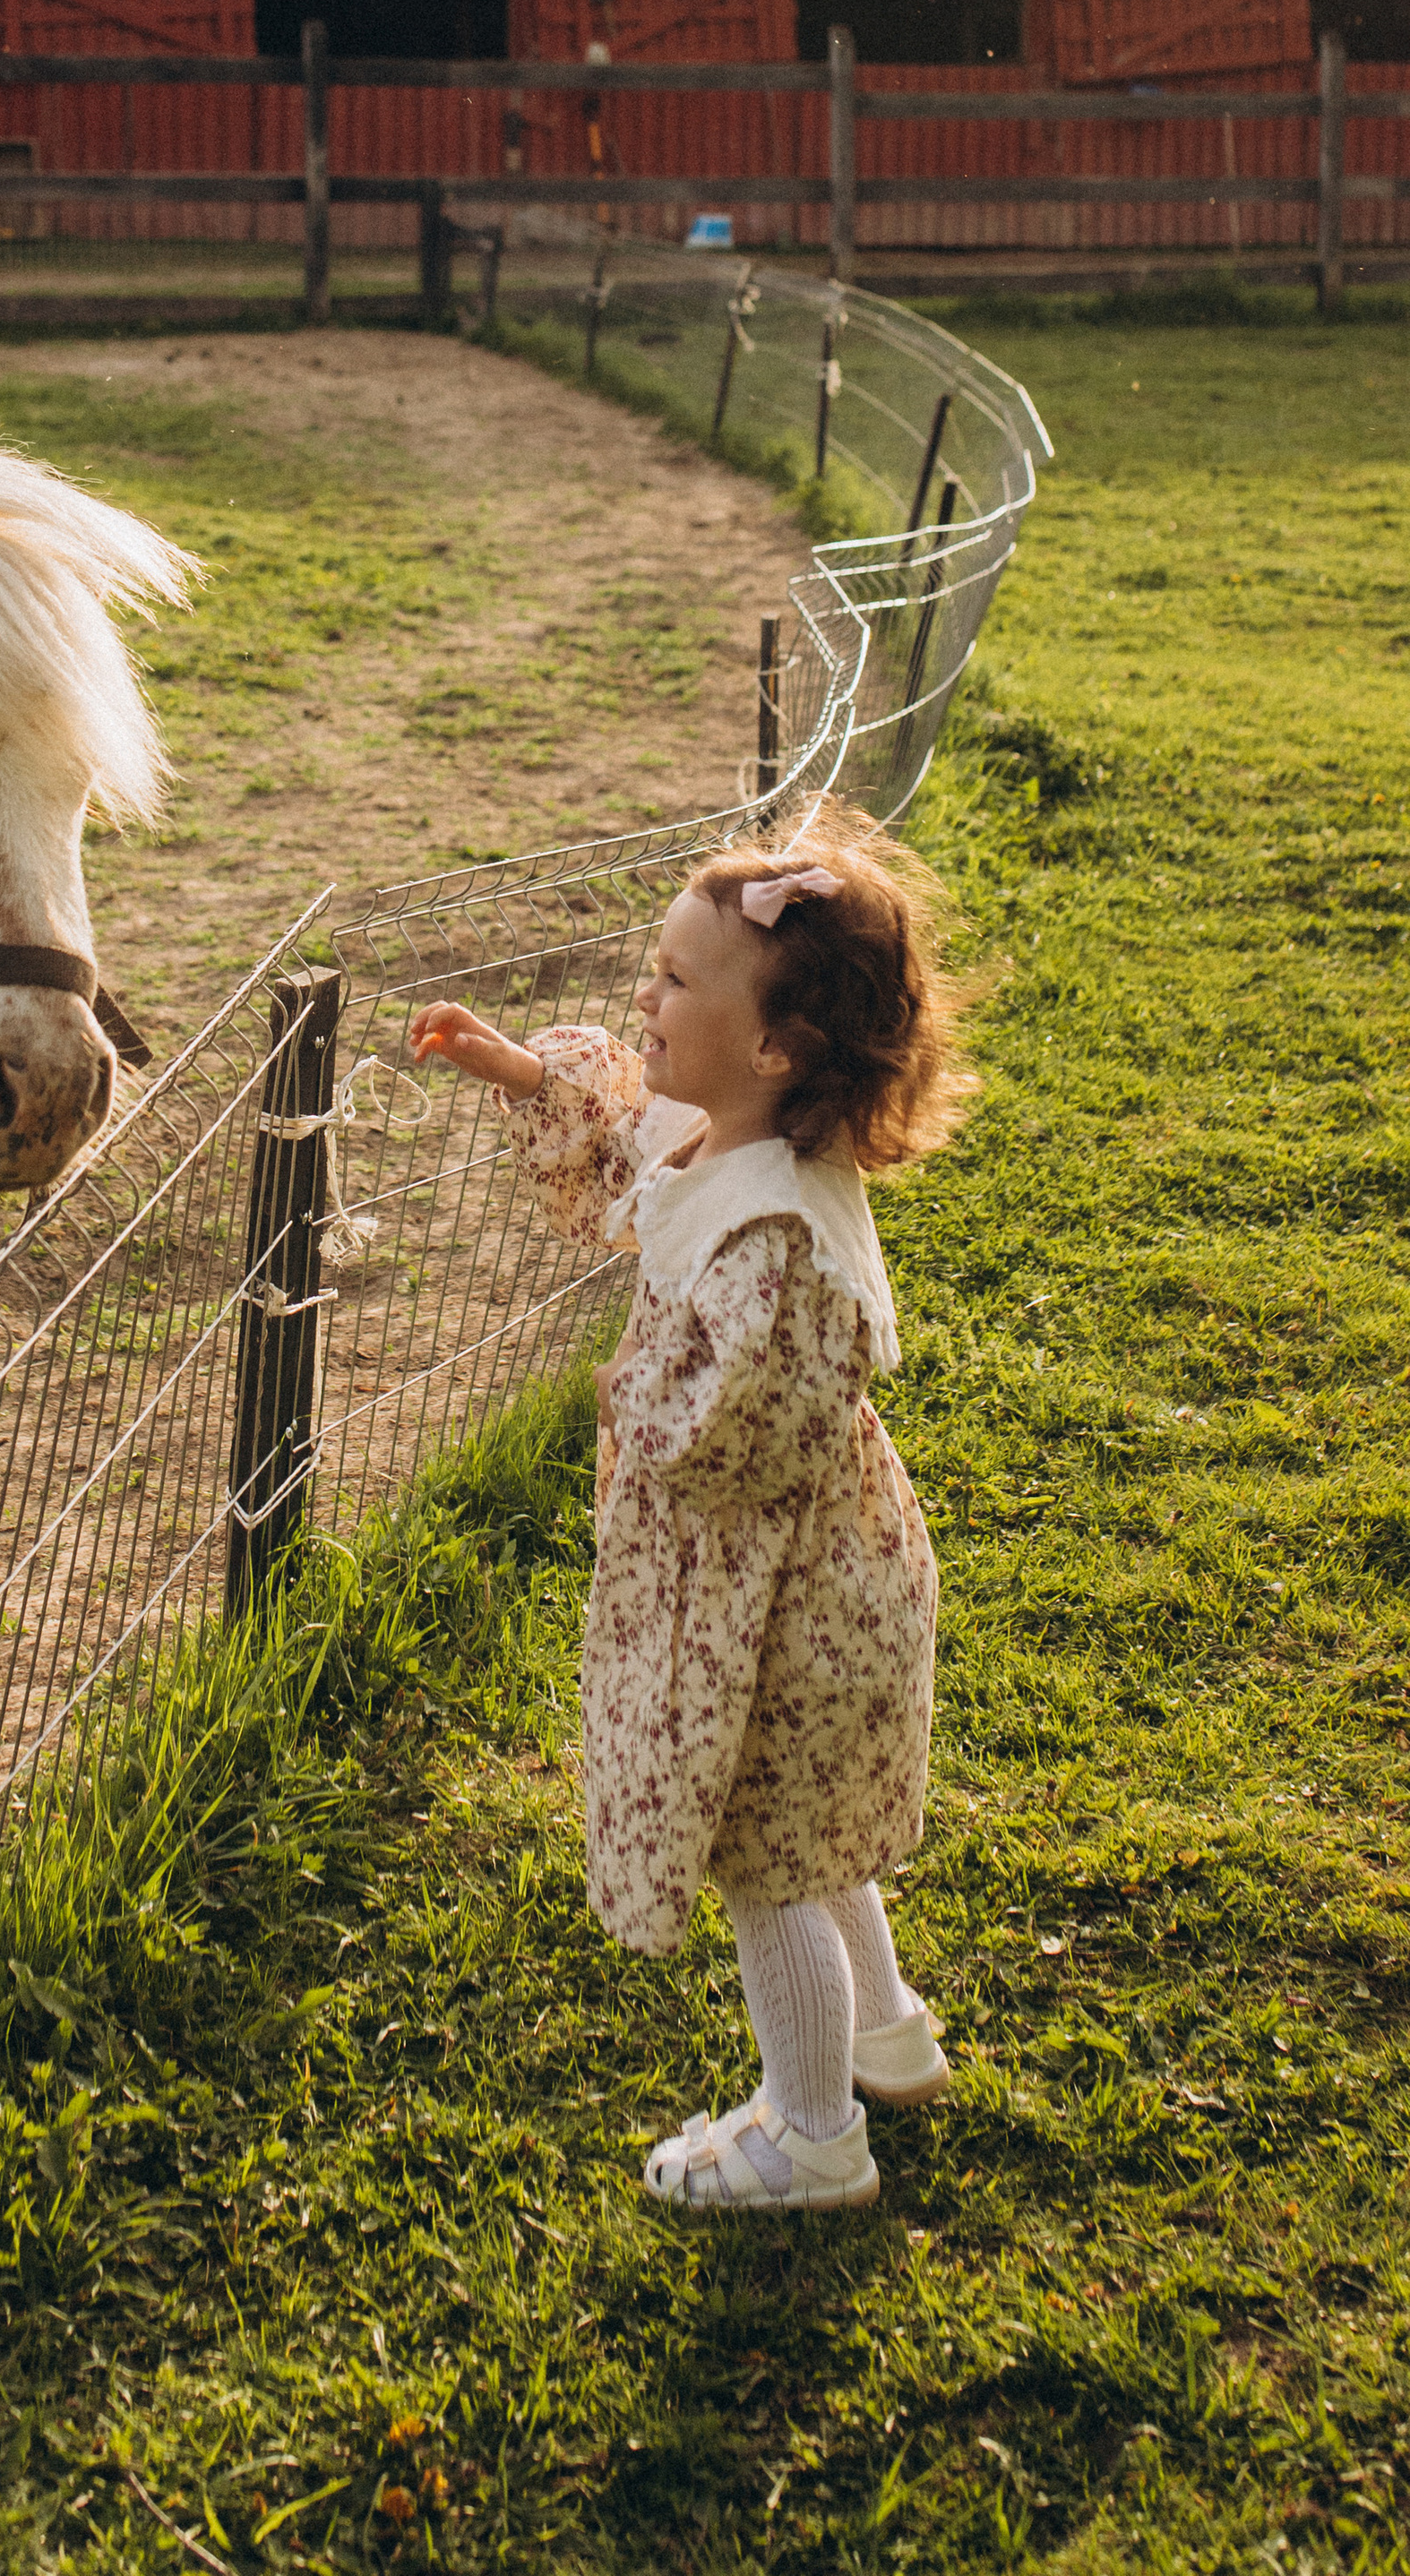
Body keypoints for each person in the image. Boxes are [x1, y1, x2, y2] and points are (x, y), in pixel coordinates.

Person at [410, 814, 967, 2211]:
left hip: (781, 1598)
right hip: (820, 1579)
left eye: (671, 982)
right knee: (819, 1821)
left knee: (766, 1854)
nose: (642, 1000)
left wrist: (631, 1400)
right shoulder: (740, 1138)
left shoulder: (776, 1237)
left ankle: (812, 2126)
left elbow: (732, 1433)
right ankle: (888, 2032)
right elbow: (631, 1145)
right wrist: (520, 1070)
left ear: (773, 1048)